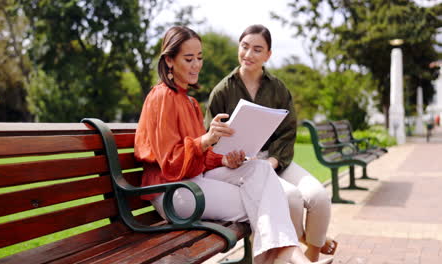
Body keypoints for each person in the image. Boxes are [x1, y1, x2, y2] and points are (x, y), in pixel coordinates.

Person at [134, 25, 333, 264]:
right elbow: (170, 165)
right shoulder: (162, 97)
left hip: (193, 183)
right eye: (189, 59)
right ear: (169, 60)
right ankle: (289, 255)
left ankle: (285, 254)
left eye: (199, 58)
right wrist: (206, 140)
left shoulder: (189, 102)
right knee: (263, 200)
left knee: (259, 170)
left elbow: (200, 157)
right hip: (173, 193)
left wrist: (223, 159)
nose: (197, 65)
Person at [205, 24, 337, 262]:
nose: (248, 55)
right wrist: (228, 158)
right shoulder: (222, 91)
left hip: (276, 160)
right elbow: (210, 137)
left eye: (257, 49)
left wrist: (274, 161)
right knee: (292, 199)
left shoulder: (278, 89)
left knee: (319, 197)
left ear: (268, 55)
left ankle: (313, 254)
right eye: (244, 47)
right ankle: (291, 253)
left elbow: (287, 132)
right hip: (242, 168)